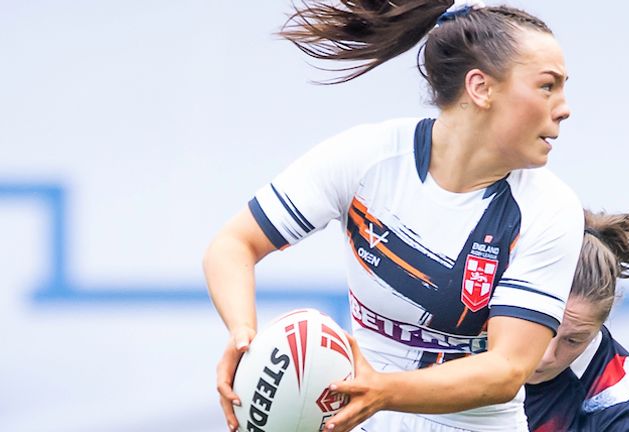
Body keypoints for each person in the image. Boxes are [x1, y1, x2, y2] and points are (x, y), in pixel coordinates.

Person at [204, 1, 584, 431]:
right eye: (547, 86)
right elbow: (233, 245)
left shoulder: (549, 209)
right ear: (481, 88)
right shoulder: (369, 158)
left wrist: (383, 391)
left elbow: (505, 371)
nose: (565, 107)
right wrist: (244, 339)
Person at [524, 210, 629, 432]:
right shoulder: (466, 330)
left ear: (600, 326)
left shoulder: (616, 395)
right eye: (541, 326)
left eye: (573, 340)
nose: (546, 356)